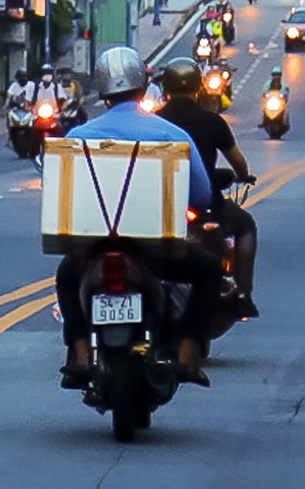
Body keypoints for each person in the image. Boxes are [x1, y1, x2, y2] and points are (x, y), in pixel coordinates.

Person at [55, 46, 224, 390]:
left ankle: (80, 353)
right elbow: (203, 194)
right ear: (145, 86)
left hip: (93, 247)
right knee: (210, 271)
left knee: (66, 276)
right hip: (159, 250)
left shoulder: (77, 138)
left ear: (102, 90)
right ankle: (189, 353)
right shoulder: (172, 135)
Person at [154, 59, 260, 318]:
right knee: (246, 226)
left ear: (165, 89)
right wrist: (243, 176)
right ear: (198, 88)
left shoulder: (154, 122)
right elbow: (238, 162)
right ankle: (243, 295)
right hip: (206, 205)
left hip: (161, 205)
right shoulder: (212, 121)